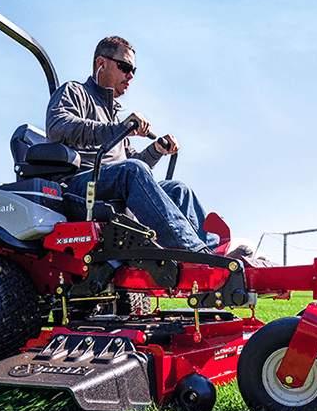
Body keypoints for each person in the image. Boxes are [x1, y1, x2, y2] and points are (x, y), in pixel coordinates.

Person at [45, 36, 220, 253]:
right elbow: (58, 127)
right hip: (81, 185)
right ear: (101, 64)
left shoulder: (115, 118)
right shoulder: (74, 92)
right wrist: (116, 129)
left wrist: (155, 150)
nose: (130, 75)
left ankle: (215, 252)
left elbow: (132, 164)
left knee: (178, 190)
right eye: (125, 66)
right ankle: (196, 255)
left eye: (133, 71)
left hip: (113, 183)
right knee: (132, 171)